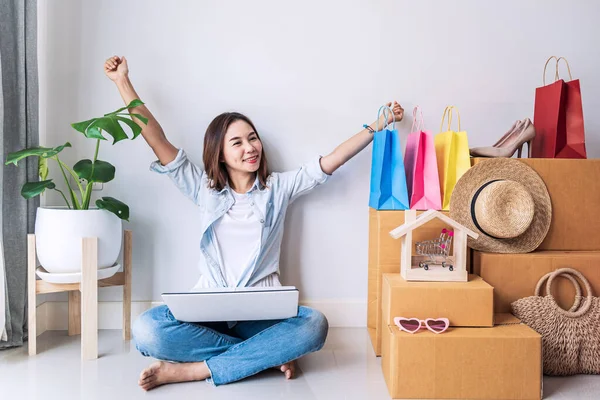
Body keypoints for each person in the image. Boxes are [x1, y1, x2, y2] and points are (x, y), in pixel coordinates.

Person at [104, 55, 404, 391]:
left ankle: (196, 370)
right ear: (219, 154)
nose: (250, 147)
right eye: (238, 142)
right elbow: (155, 138)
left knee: (313, 326)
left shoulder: (279, 187)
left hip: (261, 318)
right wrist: (122, 82)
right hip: (207, 315)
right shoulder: (203, 189)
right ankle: (267, 356)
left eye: (253, 138)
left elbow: (333, 159)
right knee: (147, 329)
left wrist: (377, 125)